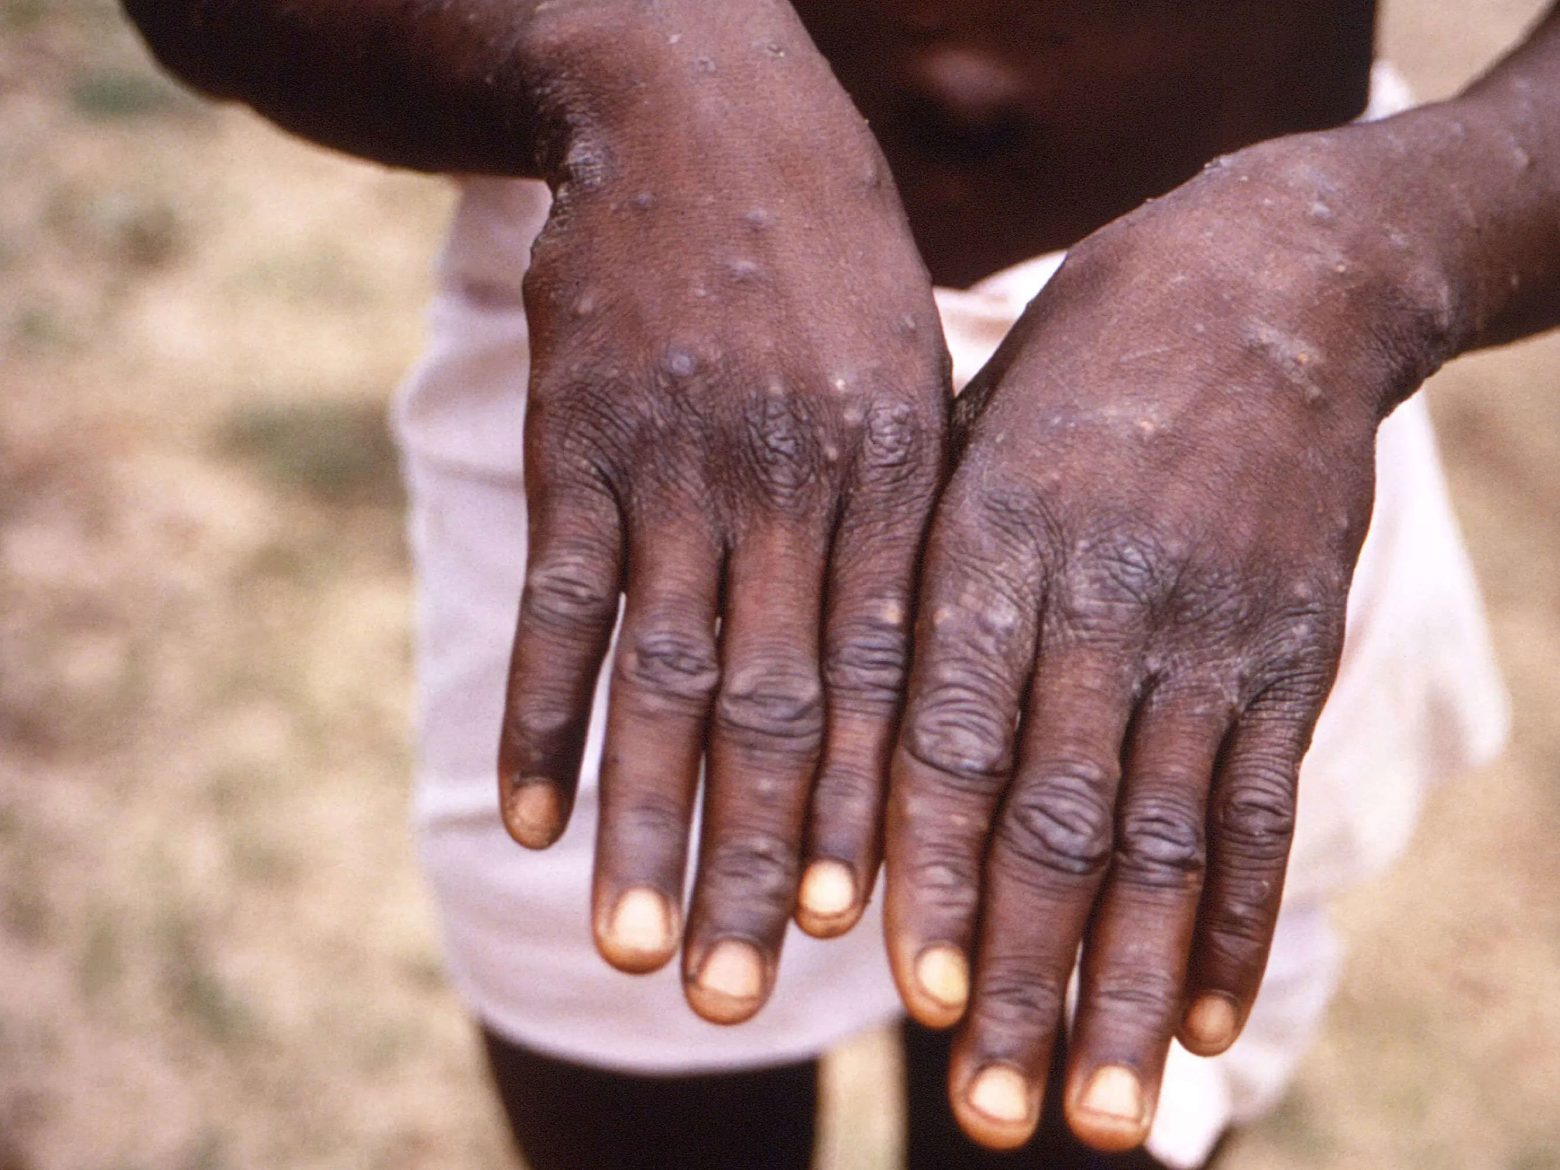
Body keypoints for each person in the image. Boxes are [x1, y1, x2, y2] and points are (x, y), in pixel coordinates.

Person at [119, 1, 1555, 1166]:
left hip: (1223, 416)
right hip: (657, 339)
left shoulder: (1303, 306)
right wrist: (615, 51)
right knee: (630, 1083)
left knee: (1076, 1100)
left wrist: (1353, 257)